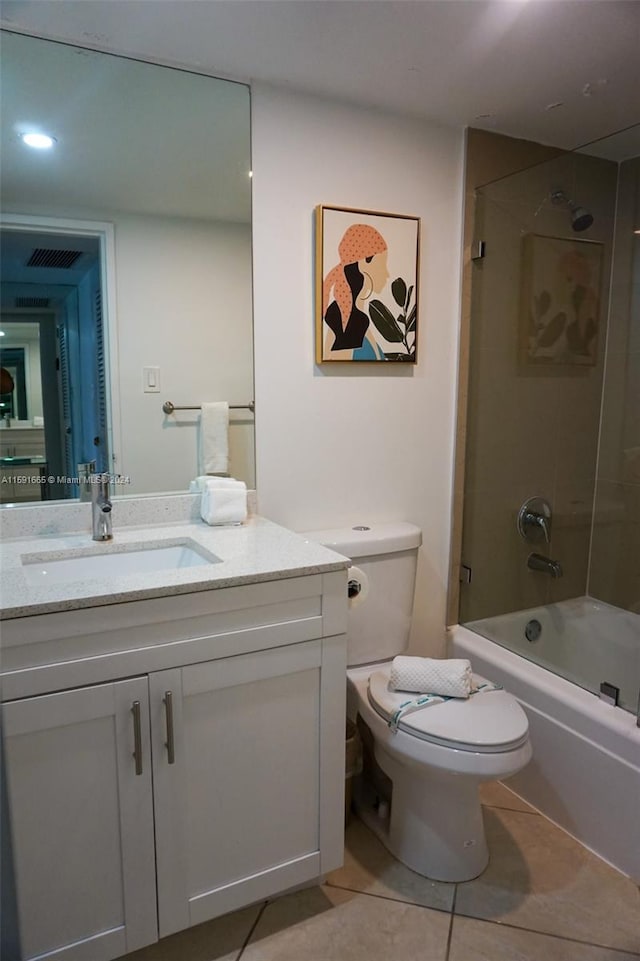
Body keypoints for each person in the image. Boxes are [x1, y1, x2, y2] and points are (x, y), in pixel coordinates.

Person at [322, 223, 389, 360]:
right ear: (364, 263)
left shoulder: (352, 318)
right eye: (382, 264)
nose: (387, 274)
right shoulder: (347, 322)